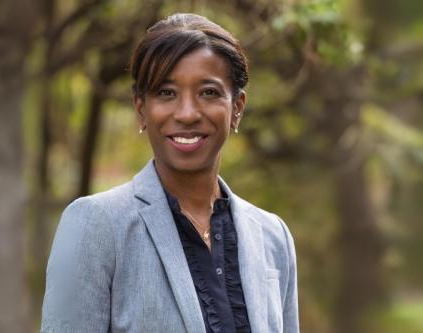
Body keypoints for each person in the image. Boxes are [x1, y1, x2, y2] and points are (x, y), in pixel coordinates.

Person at [41, 13, 299, 333]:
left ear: (237, 108)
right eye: (166, 93)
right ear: (141, 108)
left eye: (208, 92)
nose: (187, 113)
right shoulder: (97, 224)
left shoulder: (273, 236)